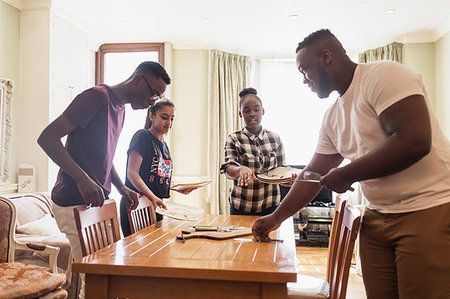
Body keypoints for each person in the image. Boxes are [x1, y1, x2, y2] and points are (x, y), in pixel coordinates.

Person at [252, 29, 450, 299]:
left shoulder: (384, 75)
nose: (303, 80)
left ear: (326, 57)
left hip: (427, 209)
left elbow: (415, 140)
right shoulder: (333, 117)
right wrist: (276, 218)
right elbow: (313, 174)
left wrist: (347, 174)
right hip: (376, 216)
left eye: (304, 70)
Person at [37, 61, 171, 298]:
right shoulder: (96, 97)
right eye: (153, 94)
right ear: (139, 80)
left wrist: (121, 188)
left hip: (96, 202)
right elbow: (47, 138)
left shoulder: (120, 109)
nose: (153, 101)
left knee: (102, 273)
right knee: (90, 278)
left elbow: (104, 156)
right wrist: (82, 178)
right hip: (71, 200)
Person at [120, 99, 196, 237]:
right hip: (136, 205)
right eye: (164, 117)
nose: (169, 123)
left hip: (155, 206)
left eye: (172, 119)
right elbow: (132, 174)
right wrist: (152, 197)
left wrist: (177, 188)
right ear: (151, 116)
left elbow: (156, 178)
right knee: (136, 252)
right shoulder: (142, 136)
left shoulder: (164, 146)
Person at [220, 88, 287, 215]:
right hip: (241, 207)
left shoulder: (275, 138)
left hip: (271, 206)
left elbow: (281, 170)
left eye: (256, 109)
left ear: (263, 111)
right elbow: (228, 169)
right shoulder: (234, 139)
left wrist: (287, 180)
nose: (252, 114)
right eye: (247, 110)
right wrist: (239, 170)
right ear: (240, 114)